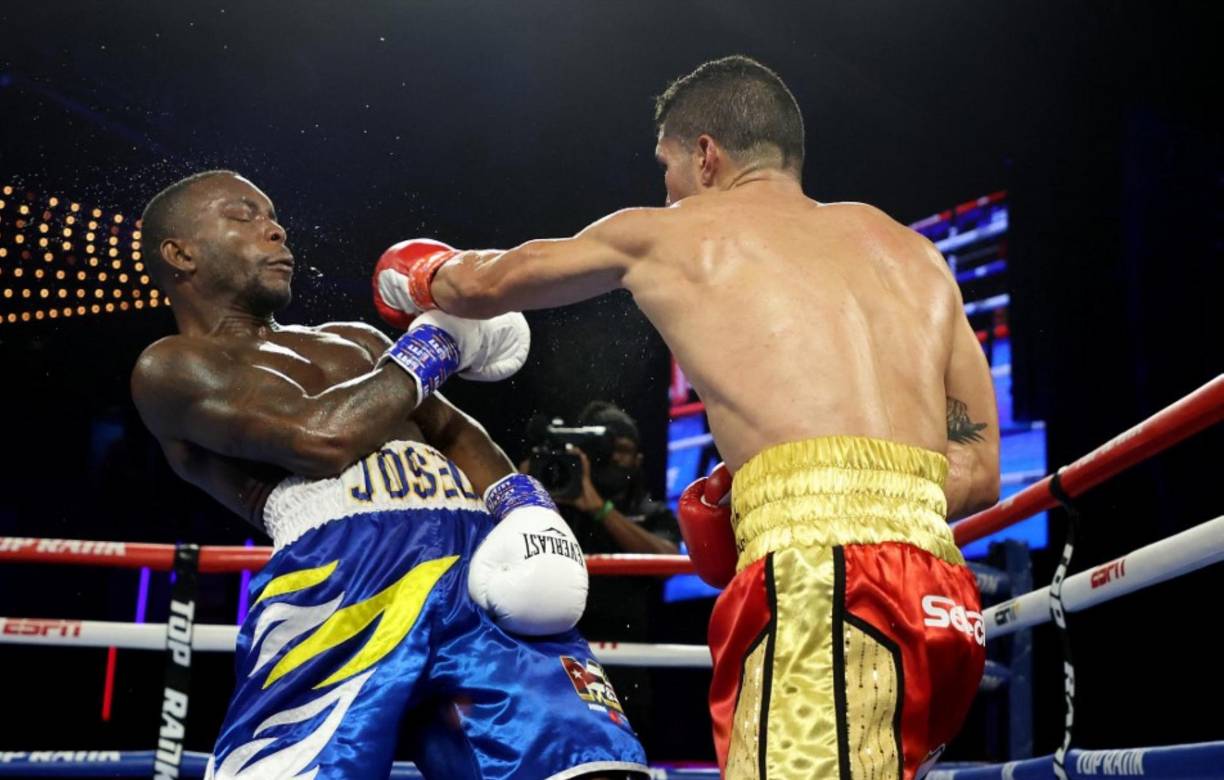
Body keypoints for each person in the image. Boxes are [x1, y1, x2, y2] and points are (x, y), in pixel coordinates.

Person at [371, 55, 999, 778]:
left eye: (666, 168)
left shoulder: (675, 233)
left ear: (706, 154)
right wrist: (784, 485)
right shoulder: (916, 255)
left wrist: (411, 275)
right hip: (943, 599)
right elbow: (978, 472)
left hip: (825, 590)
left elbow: (487, 284)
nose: (665, 192)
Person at [131, 170, 648, 779]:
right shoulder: (170, 368)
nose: (274, 230)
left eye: (273, 216)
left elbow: (456, 433)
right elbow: (317, 438)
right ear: (179, 253)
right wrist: (439, 341)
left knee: (589, 766)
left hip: (471, 562)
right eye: (243, 216)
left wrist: (528, 510)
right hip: (339, 576)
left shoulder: (354, 341)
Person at [530, 401, 679, 746]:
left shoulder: (650, 513)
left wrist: (600, 509)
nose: (613, 458)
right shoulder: (553, 500)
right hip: (558, 664)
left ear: (639, 459)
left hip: (626, 672)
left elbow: (668, 562)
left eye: (622, 449)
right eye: (604, 449)